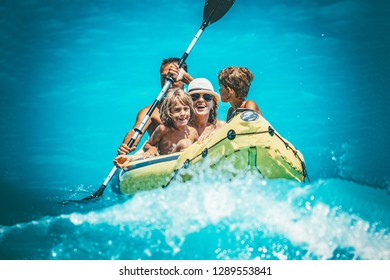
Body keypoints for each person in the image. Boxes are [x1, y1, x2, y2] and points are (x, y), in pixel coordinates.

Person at [117, 57, 194, 155]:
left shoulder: (197, 103)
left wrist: (185, 77)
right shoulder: (151, 111)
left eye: (173, 76)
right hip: (165, 158)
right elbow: (135, 132)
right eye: (164, 78)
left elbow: (210, 96)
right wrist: (125, 146)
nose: (168, 82)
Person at [114, 88, 198, 168]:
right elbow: (147, 144)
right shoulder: (163, 129)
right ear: (170, 113)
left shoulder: (193, 132)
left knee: (185, 143)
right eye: (177, 110)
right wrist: (152, 148)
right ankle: (129, 158)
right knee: (184, 143)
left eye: (186, 109)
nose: (183, 113)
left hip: (183, 163)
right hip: (163, 163)